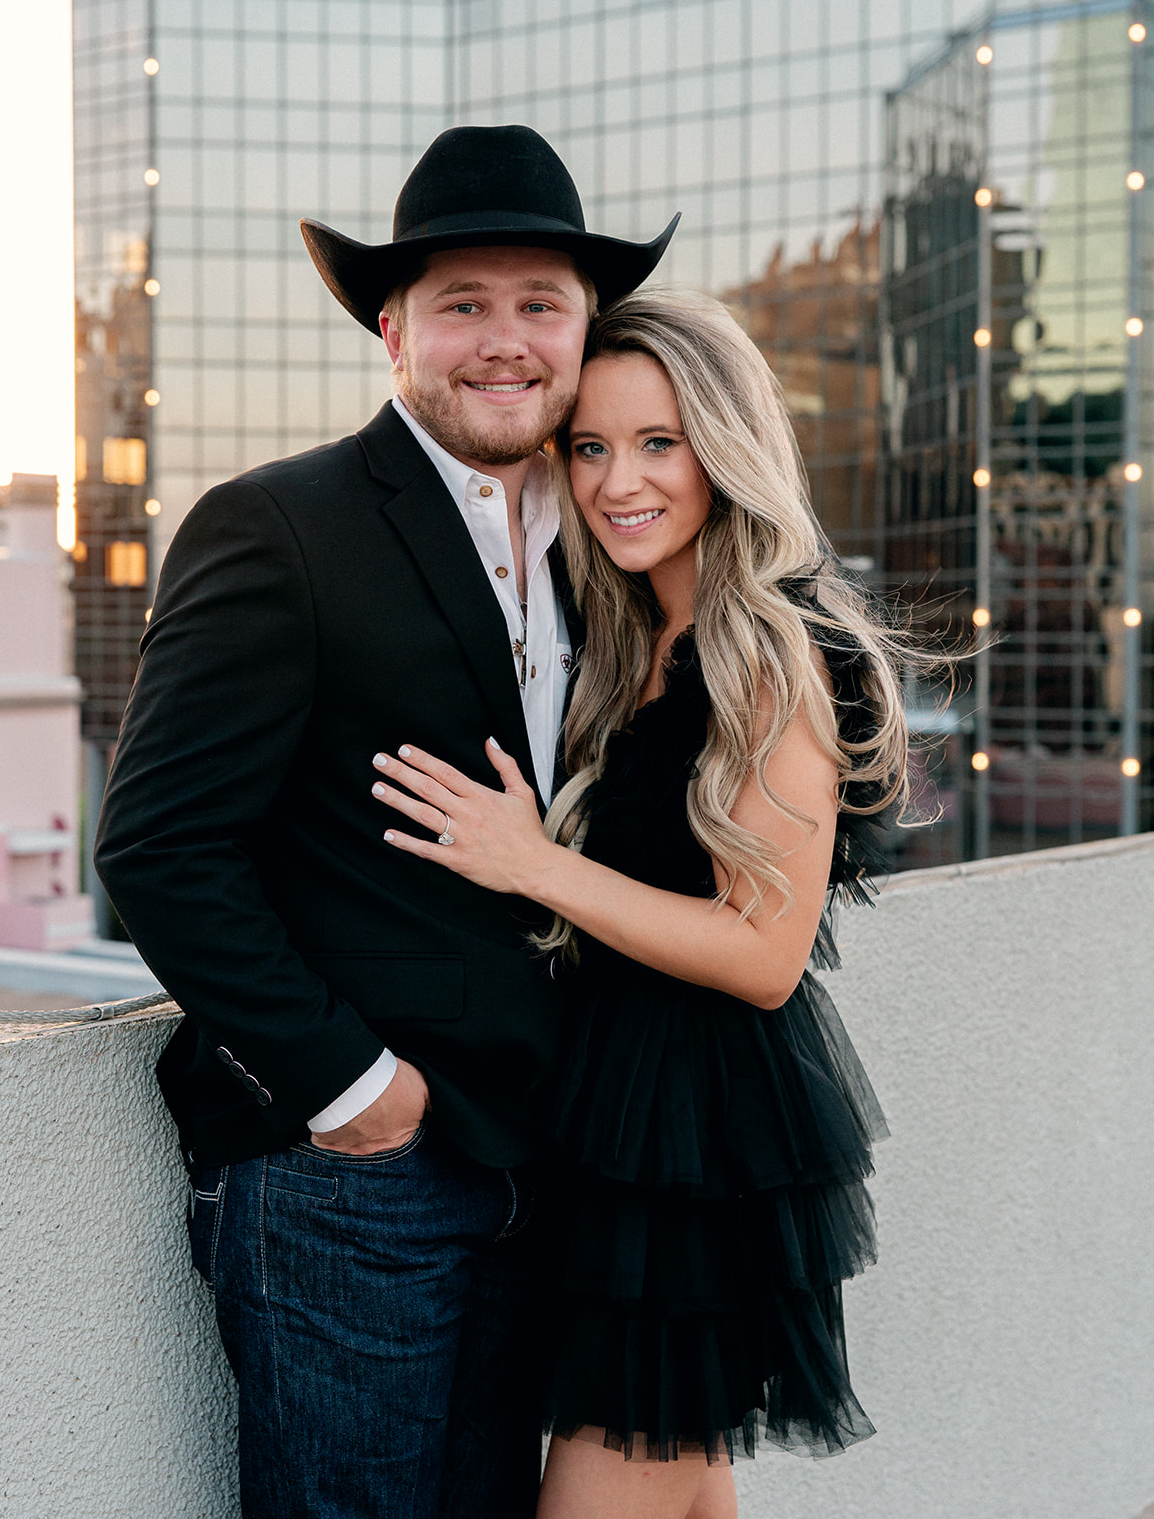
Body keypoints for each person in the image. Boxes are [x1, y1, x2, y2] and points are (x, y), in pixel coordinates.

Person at [93, 125, 678, 1519]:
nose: (505, 340)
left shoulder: (616, 541)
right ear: (391, 329)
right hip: (356, 1185)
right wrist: (361, 1101)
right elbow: (159, 848)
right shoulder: (275, 526)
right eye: (462, 304)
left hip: (549, 1168)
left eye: (539, 302)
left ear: (586, 329)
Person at [369, 290, 915, 1519]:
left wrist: (537, 862)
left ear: (723, 445)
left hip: (695, 1150)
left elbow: (767, 951)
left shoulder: (772, 644)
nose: (620, 480)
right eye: (592, 445)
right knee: (685, 1490)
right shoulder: (634, 634)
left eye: (659, 442)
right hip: (625, 1131)